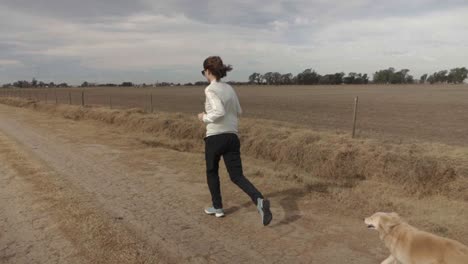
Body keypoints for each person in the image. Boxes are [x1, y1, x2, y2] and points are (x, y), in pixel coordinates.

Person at [197, 56, 272, 226]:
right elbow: (239, 111)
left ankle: (218, 207)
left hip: (215, 137)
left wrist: (204, 117)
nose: (205, 75)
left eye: (204, 72)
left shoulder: (210, 89)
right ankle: (259, 199)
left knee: (212, 171)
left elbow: (218, 112)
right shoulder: (229, 88)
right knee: (237, 175)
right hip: (232, 137)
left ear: (208, 71)